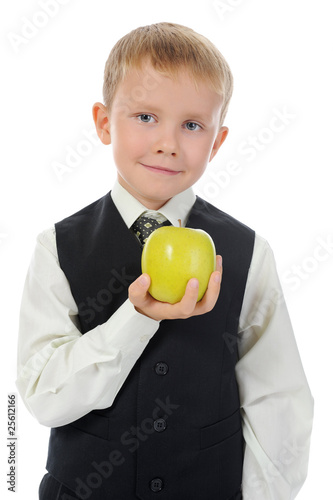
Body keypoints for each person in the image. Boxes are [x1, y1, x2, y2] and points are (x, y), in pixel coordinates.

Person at [16, 22, 313, 500]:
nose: (168, 143)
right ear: (104, 122)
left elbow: (278, 399)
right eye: (146, 117)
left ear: (216, 143)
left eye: (192, 125)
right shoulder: (56, 248)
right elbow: (42, 395)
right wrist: (133, 318)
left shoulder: (248, 251)